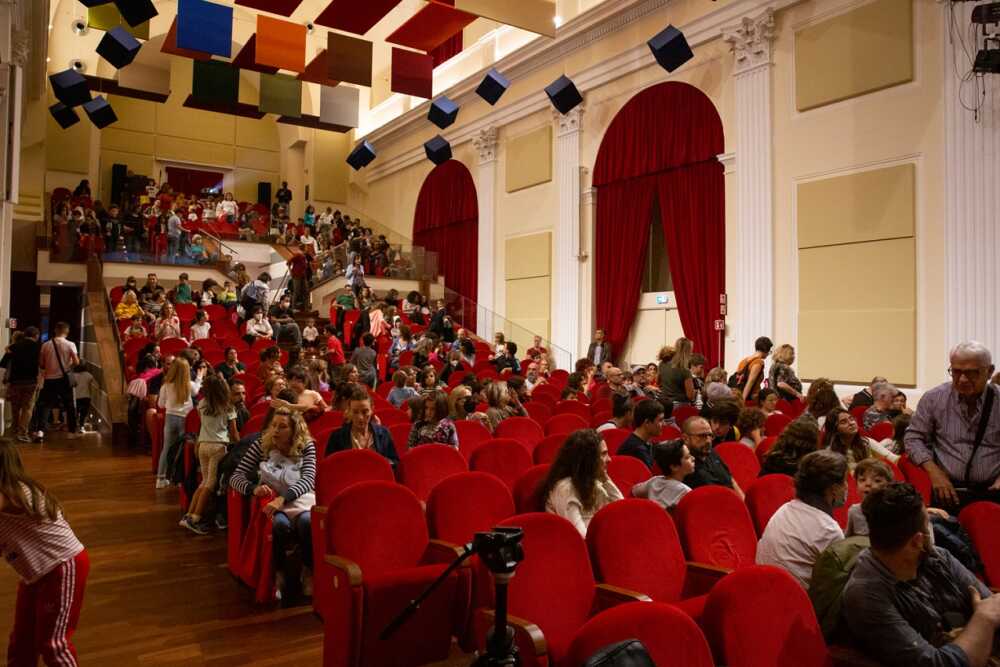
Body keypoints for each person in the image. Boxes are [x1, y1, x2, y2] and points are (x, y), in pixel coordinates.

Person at [842, 482, 1000, 667]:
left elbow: (994, 606)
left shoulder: (939, 557)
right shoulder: (865, 595)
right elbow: (938, 663)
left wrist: (985, 618)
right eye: (928, 524)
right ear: (917, 541)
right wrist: (983, 619)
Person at [0, 442, 89, 667]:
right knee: (22, 640)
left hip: (62, 565)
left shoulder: (14, 492)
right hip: (36, 573)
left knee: (53, 643)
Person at [230, 409, 316, 600]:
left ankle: (308, 570)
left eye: (283, 426)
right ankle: (278, 572)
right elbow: (235, 477)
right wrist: (253, 489)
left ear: (294, 431)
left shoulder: (307, 445)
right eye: (274, 425)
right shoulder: (262, 445)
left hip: (300, 498)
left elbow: (308, 480)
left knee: (307, 523)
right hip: (272, 502)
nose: (276, 430)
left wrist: (282, 498)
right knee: (279, 526)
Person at [904, 341, 1000, 508]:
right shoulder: (933, 398)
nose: (962, 379)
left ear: (990, 371)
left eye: (971, 373)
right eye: (956, 372)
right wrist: (934, 472)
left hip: (993, 492)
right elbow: (913, 438)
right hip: (947, 491)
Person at [756, 450, 847, 589]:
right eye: (844, 481)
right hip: (797, 603)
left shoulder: (785, 508)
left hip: (762, 589)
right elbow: (833, 590)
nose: (847, 486)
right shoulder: (829, 530)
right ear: (833, 489)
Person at [179, 375, 238, 534]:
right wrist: (238, 445)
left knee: (204, 481)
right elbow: (233, 432)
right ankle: (196, 518)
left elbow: (202, 426)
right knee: (211, 483)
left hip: (203, 444)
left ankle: (189, 515)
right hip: (218, 446)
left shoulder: (202, 405)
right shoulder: (228, 407)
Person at [540, 429, 623, 537]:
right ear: (587, 460)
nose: (609, 459)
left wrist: (605, 479)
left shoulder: (593, 482)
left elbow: (621, 510)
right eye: (603, 454)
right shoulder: (565, 488)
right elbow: (581, 537)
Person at [155, 358, 204, 489]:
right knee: (182, 450)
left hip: (170, 417)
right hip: (185, 418)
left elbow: (160, 404)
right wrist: (199, 377)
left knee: (166, 448)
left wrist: (170, 404)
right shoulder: (189, 384)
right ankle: (179, 479)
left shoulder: (166, 385)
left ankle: (160, 478)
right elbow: (196, 391)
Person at [30, 322, 80, 442]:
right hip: (64, 379)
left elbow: (41, 364)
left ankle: (41, 432)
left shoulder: (46, 345)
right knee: (69, 405)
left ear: (55, 330)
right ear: (66, 331)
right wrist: (67, 366)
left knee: (45, 406)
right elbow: (76, 362)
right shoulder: (70, 344)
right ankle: (71, 432)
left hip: (49, 379)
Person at [325, 388, 399, 467]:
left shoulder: (384, 433)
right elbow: (330, 467)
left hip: (376, 476)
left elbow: (395, 462)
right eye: (355, 412)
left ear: (372, 410)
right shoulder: (337, 437)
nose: (360, 417)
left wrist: (379, 461)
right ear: (349, 411)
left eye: (365, 412)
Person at [682, 416, 744, 499]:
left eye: (710, 435)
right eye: (702, 436)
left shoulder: (710, 452)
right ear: (685, 438)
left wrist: (743, 503)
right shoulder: (682, 465)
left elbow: (731, 480)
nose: (708, 441)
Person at [824, 406, 899, 470]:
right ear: (835, 430)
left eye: (851, 419)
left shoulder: (866, 442)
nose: (851, 423)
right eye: (844, 422)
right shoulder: (830, 453)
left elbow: (893, 458)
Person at [631, 440, 695, 510]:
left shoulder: (654, 481)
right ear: (674, 467)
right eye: (687, 457)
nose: (693, 458)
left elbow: (634, 491)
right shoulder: (686, 492)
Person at [3, 327, 41, 443]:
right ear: (36, 335)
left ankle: (14, 429)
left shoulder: (13, 347)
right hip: (30, 382)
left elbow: (3, 363)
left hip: (15, 382)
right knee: (27, 408)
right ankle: (22, 432)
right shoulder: (39, 347)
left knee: (15, 408)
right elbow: (42, 364)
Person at [617, 399, 664, 468]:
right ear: (647, 422)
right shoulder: (638, 450)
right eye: (660, 420)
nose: (663, 424)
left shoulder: (642, 442)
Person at [733, 336, 773, 403]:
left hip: (739, 394)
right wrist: (742, 400)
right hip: (752, 397)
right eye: (769, 351)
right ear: (766, 349)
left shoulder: (744, 361)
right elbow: (750, 382)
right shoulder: (758, 362)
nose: (769, 353)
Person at [660, 337, 697, 405]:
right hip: (680, 405)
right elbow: (690, 396)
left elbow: (658, 382)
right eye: (691, 351)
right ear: (688, 351)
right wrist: (695, 392)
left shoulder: (662, 363)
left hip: (664, 403)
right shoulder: (685, 370)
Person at [70, 363, 95, 434]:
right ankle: (81, 426)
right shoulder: (88, 375)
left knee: (76, 412)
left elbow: (71, 385)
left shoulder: (73, 375)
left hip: (76, 397)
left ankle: (74, 427)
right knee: (84, 413)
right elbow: (94, 381)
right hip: (86, 396)